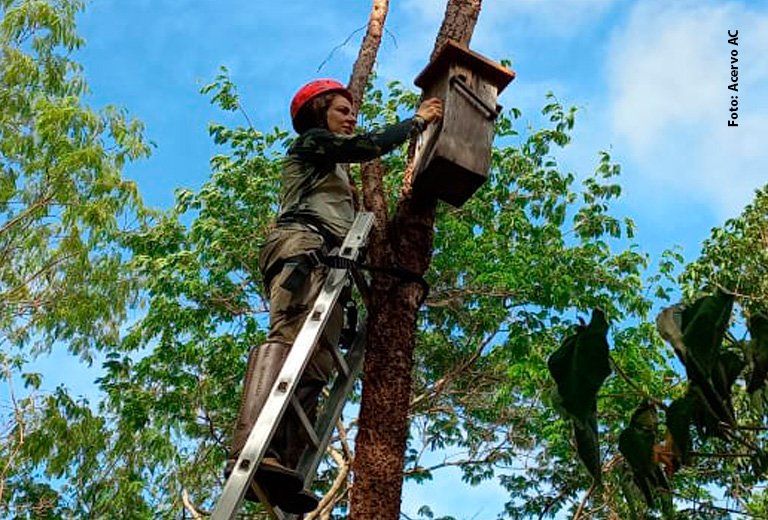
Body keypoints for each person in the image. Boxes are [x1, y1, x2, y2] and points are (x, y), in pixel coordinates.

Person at [226, 78, 443, 514]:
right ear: (318, 112)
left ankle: (281, 462)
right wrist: (417, 123)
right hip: (302, 250)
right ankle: (250, 446)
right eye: (341, 109)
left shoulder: (334, 168)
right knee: (289, 342)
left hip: (326, 262)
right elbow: (367, 146)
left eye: (351, 111)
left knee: (316, 365)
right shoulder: (312, 145)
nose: (350, 117)